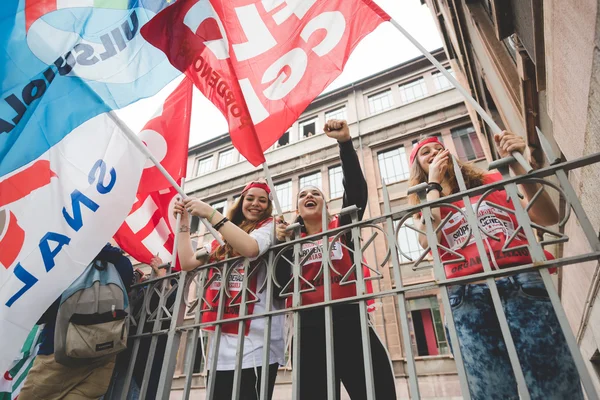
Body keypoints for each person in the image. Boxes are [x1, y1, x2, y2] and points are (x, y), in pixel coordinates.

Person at [408, 132, 583, 399]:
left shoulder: (490, 182)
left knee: (554, 384)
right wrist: (433, 184)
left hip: (523, 286)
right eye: (426, 153)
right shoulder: (429, 205)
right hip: (468, 297)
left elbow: (548, 216)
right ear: (419, 167)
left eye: (437, 148)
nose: (434, 154)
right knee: (491, 391)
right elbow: (427, 241)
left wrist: (517, 164)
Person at [275, 119, 396, 399]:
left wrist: (345, 144)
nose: (309, 196)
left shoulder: (342, 227)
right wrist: (282, 241)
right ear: (297, 209)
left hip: (349, 319)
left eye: (315, 193)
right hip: (308, 326)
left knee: (375, 391)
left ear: (325, 203)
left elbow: (355, 192)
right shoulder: (289, 243)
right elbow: (281, 282)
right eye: (303, 195)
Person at [174, 181, 285, 400]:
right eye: (250, 198)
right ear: (241, 202)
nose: (256, 204)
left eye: (262, 200)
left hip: (257, 345)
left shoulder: (271, 226)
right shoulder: (222, 239)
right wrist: (185, 224)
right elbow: (187, 261)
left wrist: (210, 212)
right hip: (220, 347)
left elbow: (251, 248)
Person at [19, 244, 134, 400]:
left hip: (59, 355)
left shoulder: (63, 263)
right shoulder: (122, 263)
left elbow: (42, 314)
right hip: (104, 353)